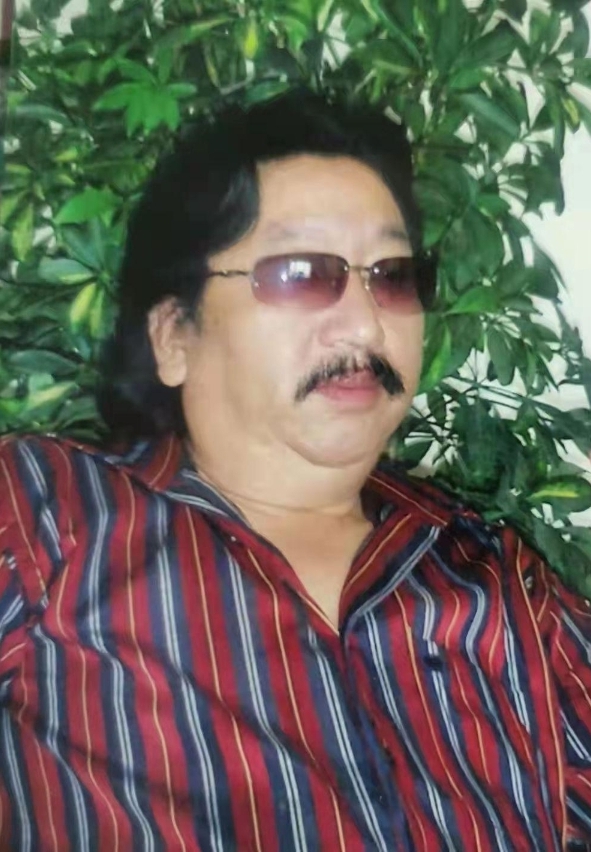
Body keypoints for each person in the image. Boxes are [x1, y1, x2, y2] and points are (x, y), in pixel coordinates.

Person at [1, 90, 590, 852]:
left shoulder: (498, 580)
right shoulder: (46, 513)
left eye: (393, 275)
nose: (365, 323)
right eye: (303, 272)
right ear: (173, 336)